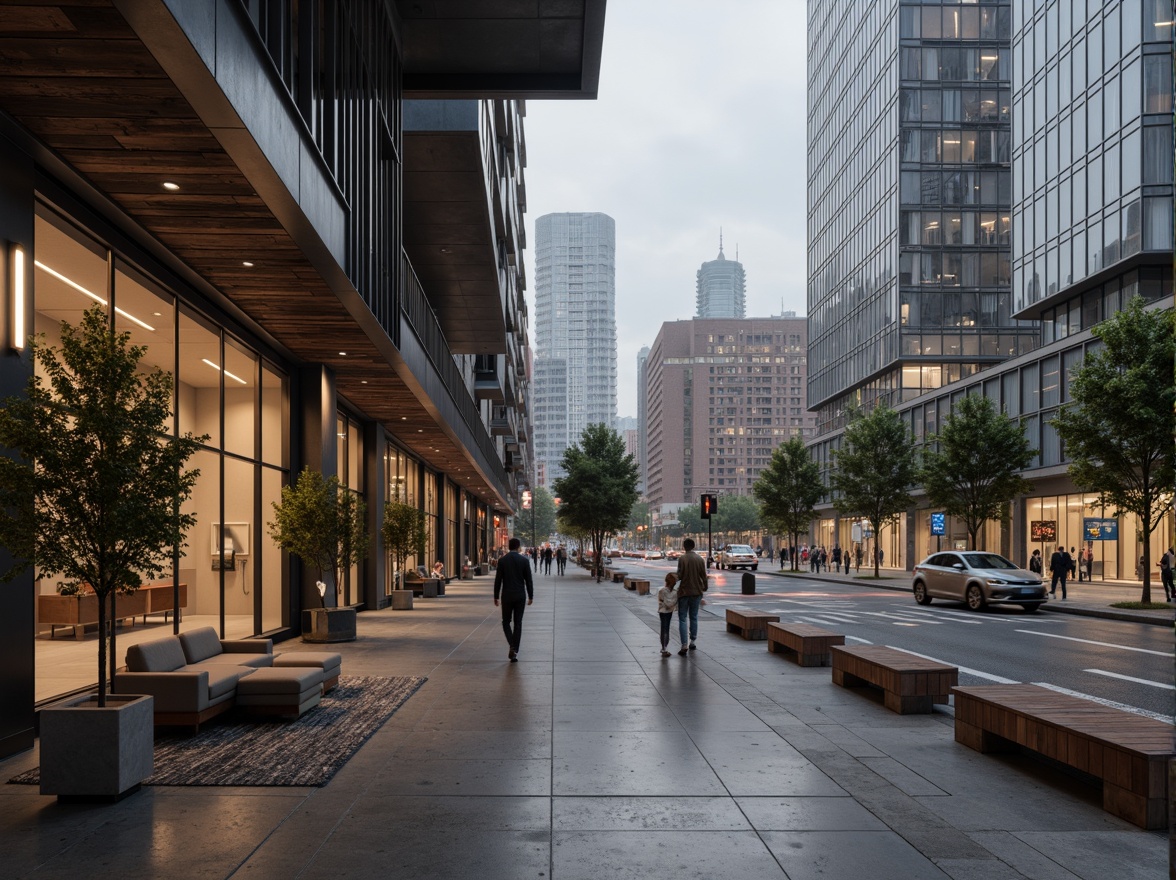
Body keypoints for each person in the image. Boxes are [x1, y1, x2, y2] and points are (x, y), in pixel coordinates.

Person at [493, 537, 534, 661]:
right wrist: (531, 595)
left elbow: (498, 580)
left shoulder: (502, 561)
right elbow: (528, 580)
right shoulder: (524, 560)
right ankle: (515, 650)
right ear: (518, 547)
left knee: (506, 621)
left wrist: (496, 596)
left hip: (507, 595)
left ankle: (512, 645)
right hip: (520, 595)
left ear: (509, 546)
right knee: (518, 623)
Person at [674, 537, 708, 655]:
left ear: (684, 546)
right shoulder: (700, 559)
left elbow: (680, 575)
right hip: (696, 592)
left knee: (682, 618)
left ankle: (684, 644)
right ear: (693, 546)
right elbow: (704, 575)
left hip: (684, 592)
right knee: (694, 616)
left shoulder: (682, 559)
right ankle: (693, 641)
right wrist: (705, 586)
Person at [656, 572, 679, 657]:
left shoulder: (662, 590)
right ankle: (665, 647)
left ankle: (664, 647)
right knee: (667, 629)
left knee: (663, 629)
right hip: (669, 611)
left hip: (662, 611)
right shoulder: (675, 592)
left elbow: (661, 600)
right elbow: (674, 603)